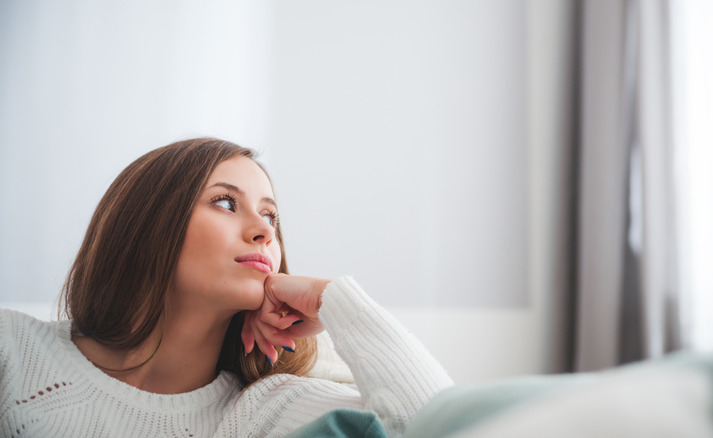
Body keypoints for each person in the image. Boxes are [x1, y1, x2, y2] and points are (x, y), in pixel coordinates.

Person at [0, 138, 453, 437]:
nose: (263, 230)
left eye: (271, 215)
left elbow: (445, 426)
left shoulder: (264, 411)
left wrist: (333, 300)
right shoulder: (14, 352)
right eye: (225, 202)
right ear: (148, 223)